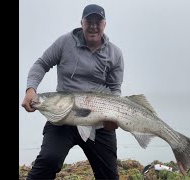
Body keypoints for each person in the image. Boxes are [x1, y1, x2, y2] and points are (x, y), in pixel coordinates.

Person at [21, 4, 124, 180]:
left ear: (104, 24)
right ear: (81, 23)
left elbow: (114, 90)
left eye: (97, 21)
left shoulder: (115, 54)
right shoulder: (64, 42)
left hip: (98, 123)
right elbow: (41, 64)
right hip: (62, 118)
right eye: (89, 21)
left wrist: (112, 117)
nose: (93, 25)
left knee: (109, 176)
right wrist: (31, 89)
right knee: (48, 161)